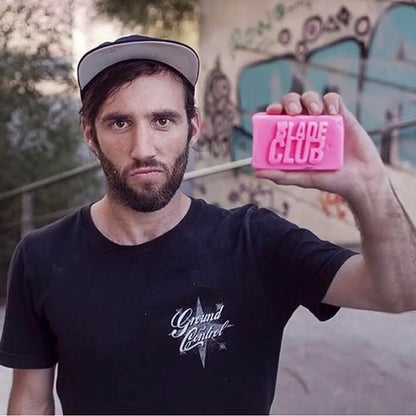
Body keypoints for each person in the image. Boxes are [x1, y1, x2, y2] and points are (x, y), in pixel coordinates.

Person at [0, 34, 415, 415]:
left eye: (163, 120)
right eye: (119, 123)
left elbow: (400, 292)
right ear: (90, 133)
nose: (143, 149)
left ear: (193, 128)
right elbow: (31, 403)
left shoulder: (255, 241)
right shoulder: (41, 256)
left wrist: (369, 187)